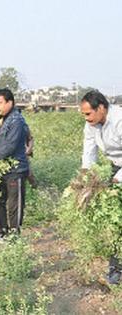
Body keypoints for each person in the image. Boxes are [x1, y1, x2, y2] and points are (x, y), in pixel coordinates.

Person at [80, 90, 122, 285]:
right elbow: (89, 151)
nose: (86, 118)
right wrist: (86, 178)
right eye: (84, 114)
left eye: (89, 113)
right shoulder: (92, 125)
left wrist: (116, 180)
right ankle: (116, 269)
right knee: (115, 222)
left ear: (102, 108)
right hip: (116, 166)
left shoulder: (120, 120)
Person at [0, 88, 29, 240]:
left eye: (0, 103)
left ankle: (14, 236)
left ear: (10, 102)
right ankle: (2, 231)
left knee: (14, 206)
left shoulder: (17, 121)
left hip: (15, 169)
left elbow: (10, 146)